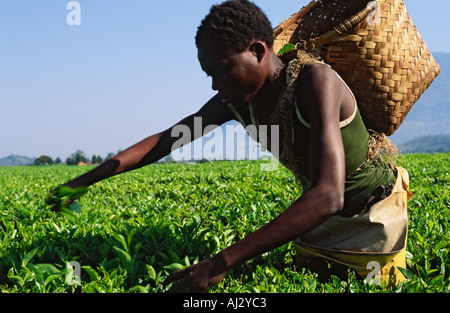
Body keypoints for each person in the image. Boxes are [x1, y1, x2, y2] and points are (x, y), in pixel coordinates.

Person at [47, 0, 410, 292]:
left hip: (371, 220)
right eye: (210, 76)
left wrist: (218, 263)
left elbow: (328, 195)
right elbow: (167, 139)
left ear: (256, 50)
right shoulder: (236, 100)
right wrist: (81, 181)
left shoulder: (316, 83)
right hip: (317, 227)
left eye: (221, 72)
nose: (214, 86)